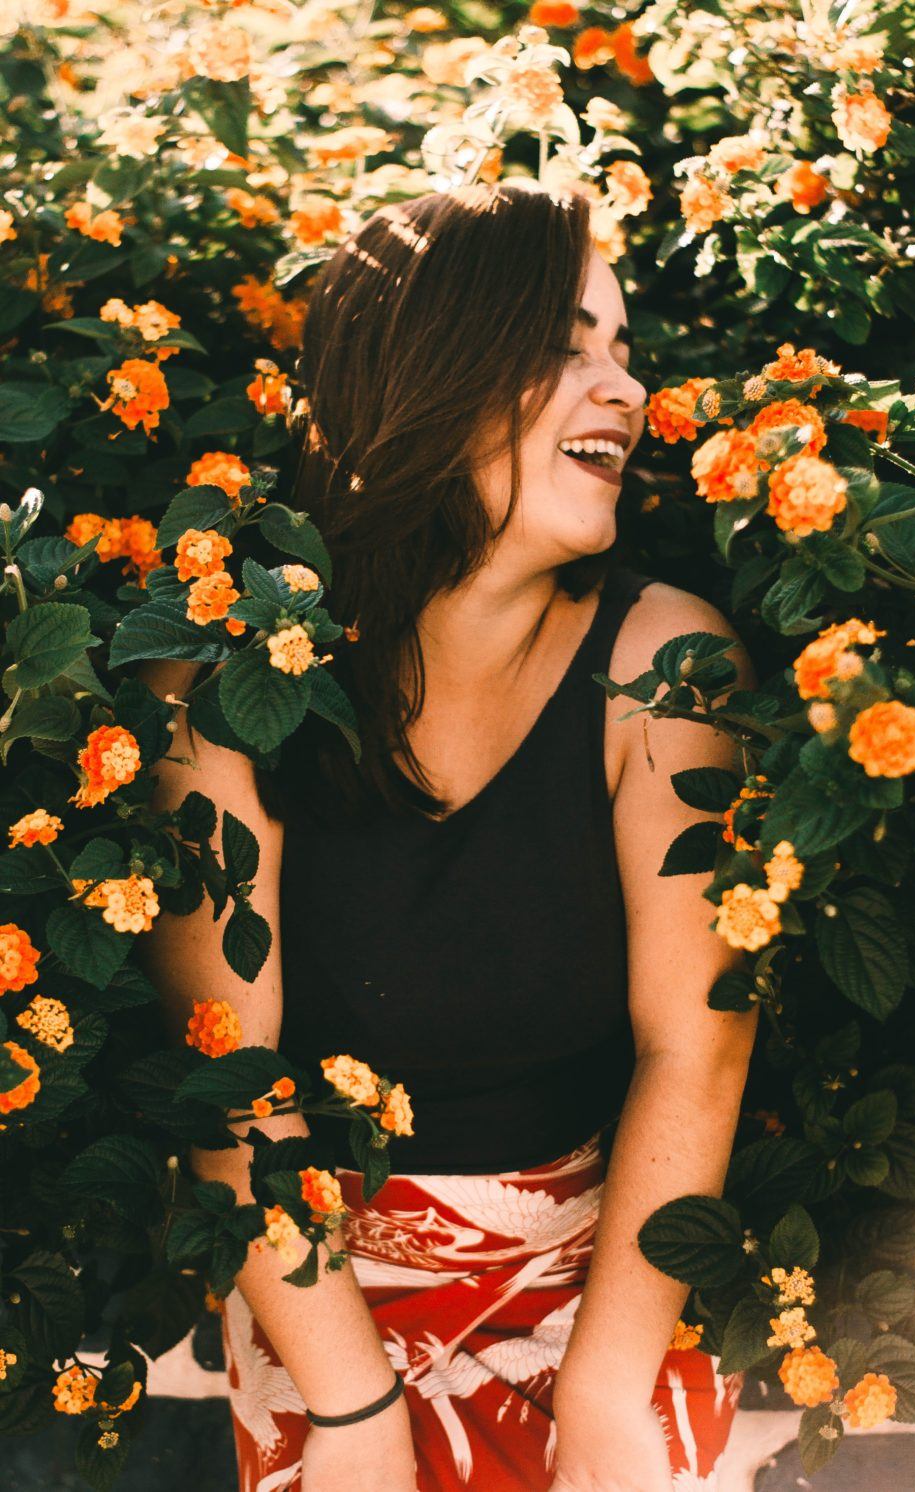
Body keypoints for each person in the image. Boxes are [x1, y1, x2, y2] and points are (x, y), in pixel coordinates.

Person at [141, 182, 758, 1492]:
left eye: (625, 349)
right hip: (316, 1306)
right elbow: (223, 1081)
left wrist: (599, 1392)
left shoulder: (666, 669)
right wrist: (355, 1414)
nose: (625, 389)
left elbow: (695, 1050)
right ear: (436, 372)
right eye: (567, 347)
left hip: (605, 1283)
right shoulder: (224, 687)